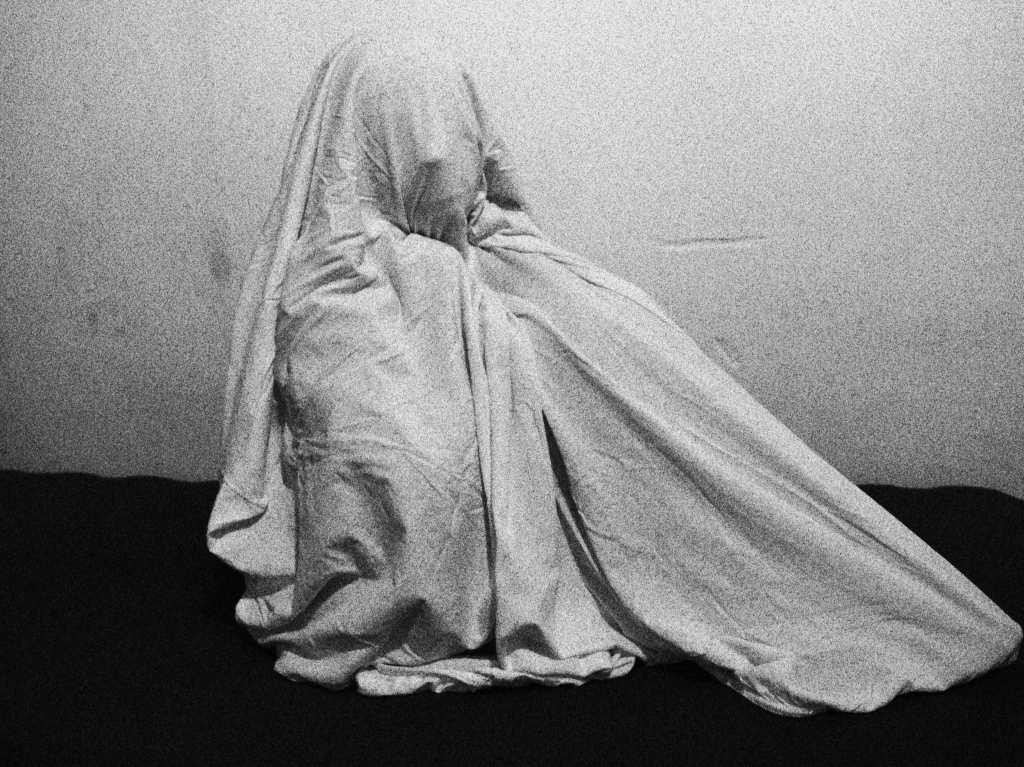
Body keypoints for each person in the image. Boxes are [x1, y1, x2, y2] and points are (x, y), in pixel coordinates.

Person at [207, 30, 1020, 716]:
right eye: (423, 145)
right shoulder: (333, 304)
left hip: (656, 481)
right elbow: (408, 507)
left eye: (458, 139)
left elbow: (636, 369)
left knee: (708, 441)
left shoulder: (498, 252)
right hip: (497, 536)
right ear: (366, 143)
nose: (447, 166)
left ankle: (846, 575)